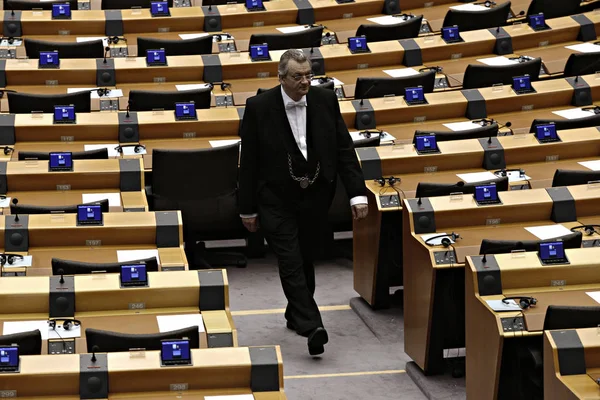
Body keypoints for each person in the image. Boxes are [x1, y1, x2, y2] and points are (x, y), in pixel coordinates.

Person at [239, 49, 368, 356]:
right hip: (274, 199)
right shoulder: (259, 107)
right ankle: (312, 325)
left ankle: (295, 314)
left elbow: (344, 150)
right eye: (298, 76)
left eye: (309, 75)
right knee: (290, 259)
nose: (305, 82)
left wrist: (357, 193)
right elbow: (249, 162)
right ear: (281, 77)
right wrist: (247, 208)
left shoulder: (326, 100)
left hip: (315, 197)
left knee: (305, 256)